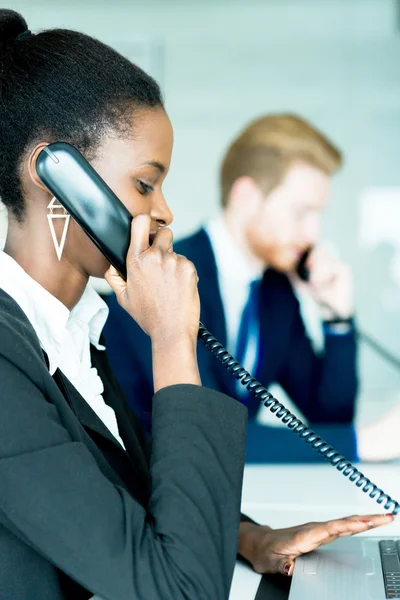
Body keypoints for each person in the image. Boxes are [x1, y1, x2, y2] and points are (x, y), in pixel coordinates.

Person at [0, 10, 394, 600]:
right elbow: (178, 590)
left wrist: (250, 540)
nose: (165, 212)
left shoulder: (71, 330)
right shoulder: (10, 357)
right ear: (57, 177)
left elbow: (124, 499)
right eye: (144, 184)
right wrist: (171, 339)